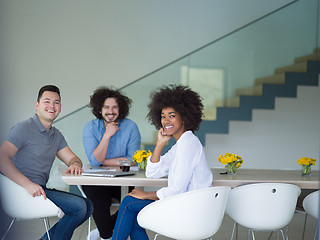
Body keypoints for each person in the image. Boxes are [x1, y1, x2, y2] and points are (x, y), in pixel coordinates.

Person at [112, 85, 213, 240]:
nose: (166, 121)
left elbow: (177, 190)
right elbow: (152, 173)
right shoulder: (181, 144)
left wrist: (146, 195)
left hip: (190, 209)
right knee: (136, 219)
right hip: (186, 205)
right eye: (163, 116)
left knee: (128, 203)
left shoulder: (187, 145)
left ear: (184, 117)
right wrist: (160, 144)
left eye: (171, 116)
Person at [0, 85, 93, 240]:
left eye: (56, 102)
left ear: (60, 107)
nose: (52, 106)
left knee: (88, 206)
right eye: (47, 101)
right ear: (37, 105)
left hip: (40, 190)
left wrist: (75, 164)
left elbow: (72, 158)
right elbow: (2, 158)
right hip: (20, 191)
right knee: (78, 207)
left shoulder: (55, 135)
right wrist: (27, 184)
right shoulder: (23, 128)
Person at [82, 87, 141, 240]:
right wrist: (107, 135)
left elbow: (132, 160)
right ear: (99, 110)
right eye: (106, 107)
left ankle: (104, 232)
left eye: (115, 107)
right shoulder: (90, 128)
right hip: (98, 180)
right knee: (97, 198)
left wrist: (102, 161)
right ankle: (107, 234)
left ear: (120, 110)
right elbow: (95, 161)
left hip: (124, 178)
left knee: (131, 201)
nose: (111, 111)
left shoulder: (131, 127)